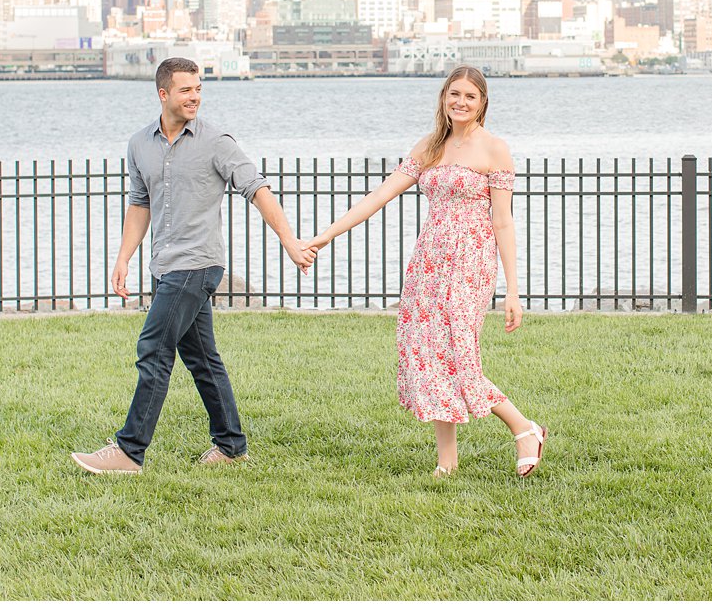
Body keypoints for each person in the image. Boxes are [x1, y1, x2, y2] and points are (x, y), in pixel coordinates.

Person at [72, 57, 314, 474]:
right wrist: (124, 256)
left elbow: (257, 189)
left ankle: (129, 451)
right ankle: (232, 445)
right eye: (186, 90)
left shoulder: (216, 141)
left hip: (198, 264)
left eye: (198, 88)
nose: (195, 96)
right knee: (203, 359)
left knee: (153, 348)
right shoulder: (139, 144)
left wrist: (289, 241)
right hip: (164, 265)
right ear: (163, 94)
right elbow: (140, 203)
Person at [309, 65, 546, 478]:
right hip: (429, 262)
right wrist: (327, 235)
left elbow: (503, 221)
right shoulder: (429, 147)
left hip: (471, 262)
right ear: (443, 98)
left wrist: (512, 289)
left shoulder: (494, 149)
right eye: (454, 94)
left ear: (482, 103)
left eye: (470, 96)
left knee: (460, 356)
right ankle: (446, 462)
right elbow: (379, 195)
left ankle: (524, 428)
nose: (461, 102)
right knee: (428, 354)